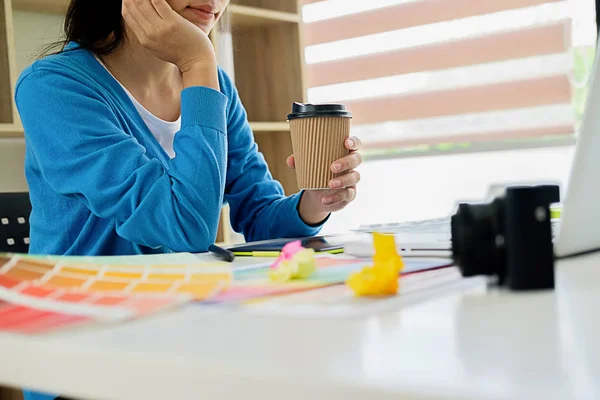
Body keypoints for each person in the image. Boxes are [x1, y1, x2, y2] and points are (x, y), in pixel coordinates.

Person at [16, 1, 362, 399]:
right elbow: (186, 227)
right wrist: (198, 61)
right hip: (83, 352)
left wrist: (316, 200)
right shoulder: (52, 87)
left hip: (182, 331)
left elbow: (262, 216)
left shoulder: (215, 87)